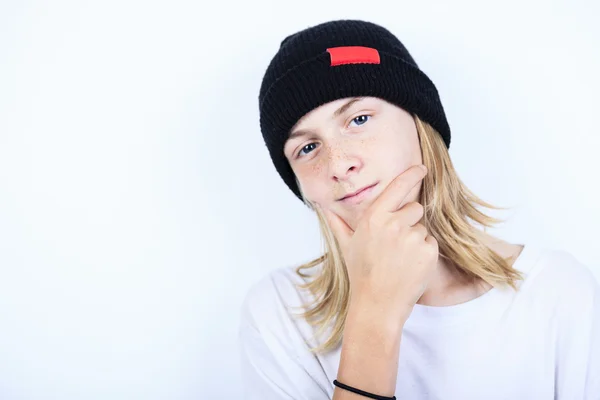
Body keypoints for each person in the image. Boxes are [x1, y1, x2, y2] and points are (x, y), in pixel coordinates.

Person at [238, 19, 600, 400]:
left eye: (358, 119)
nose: (338, 164)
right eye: (307, 148)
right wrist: (374, 317)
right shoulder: (280, 313)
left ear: (420, 124)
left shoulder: (558, 294)